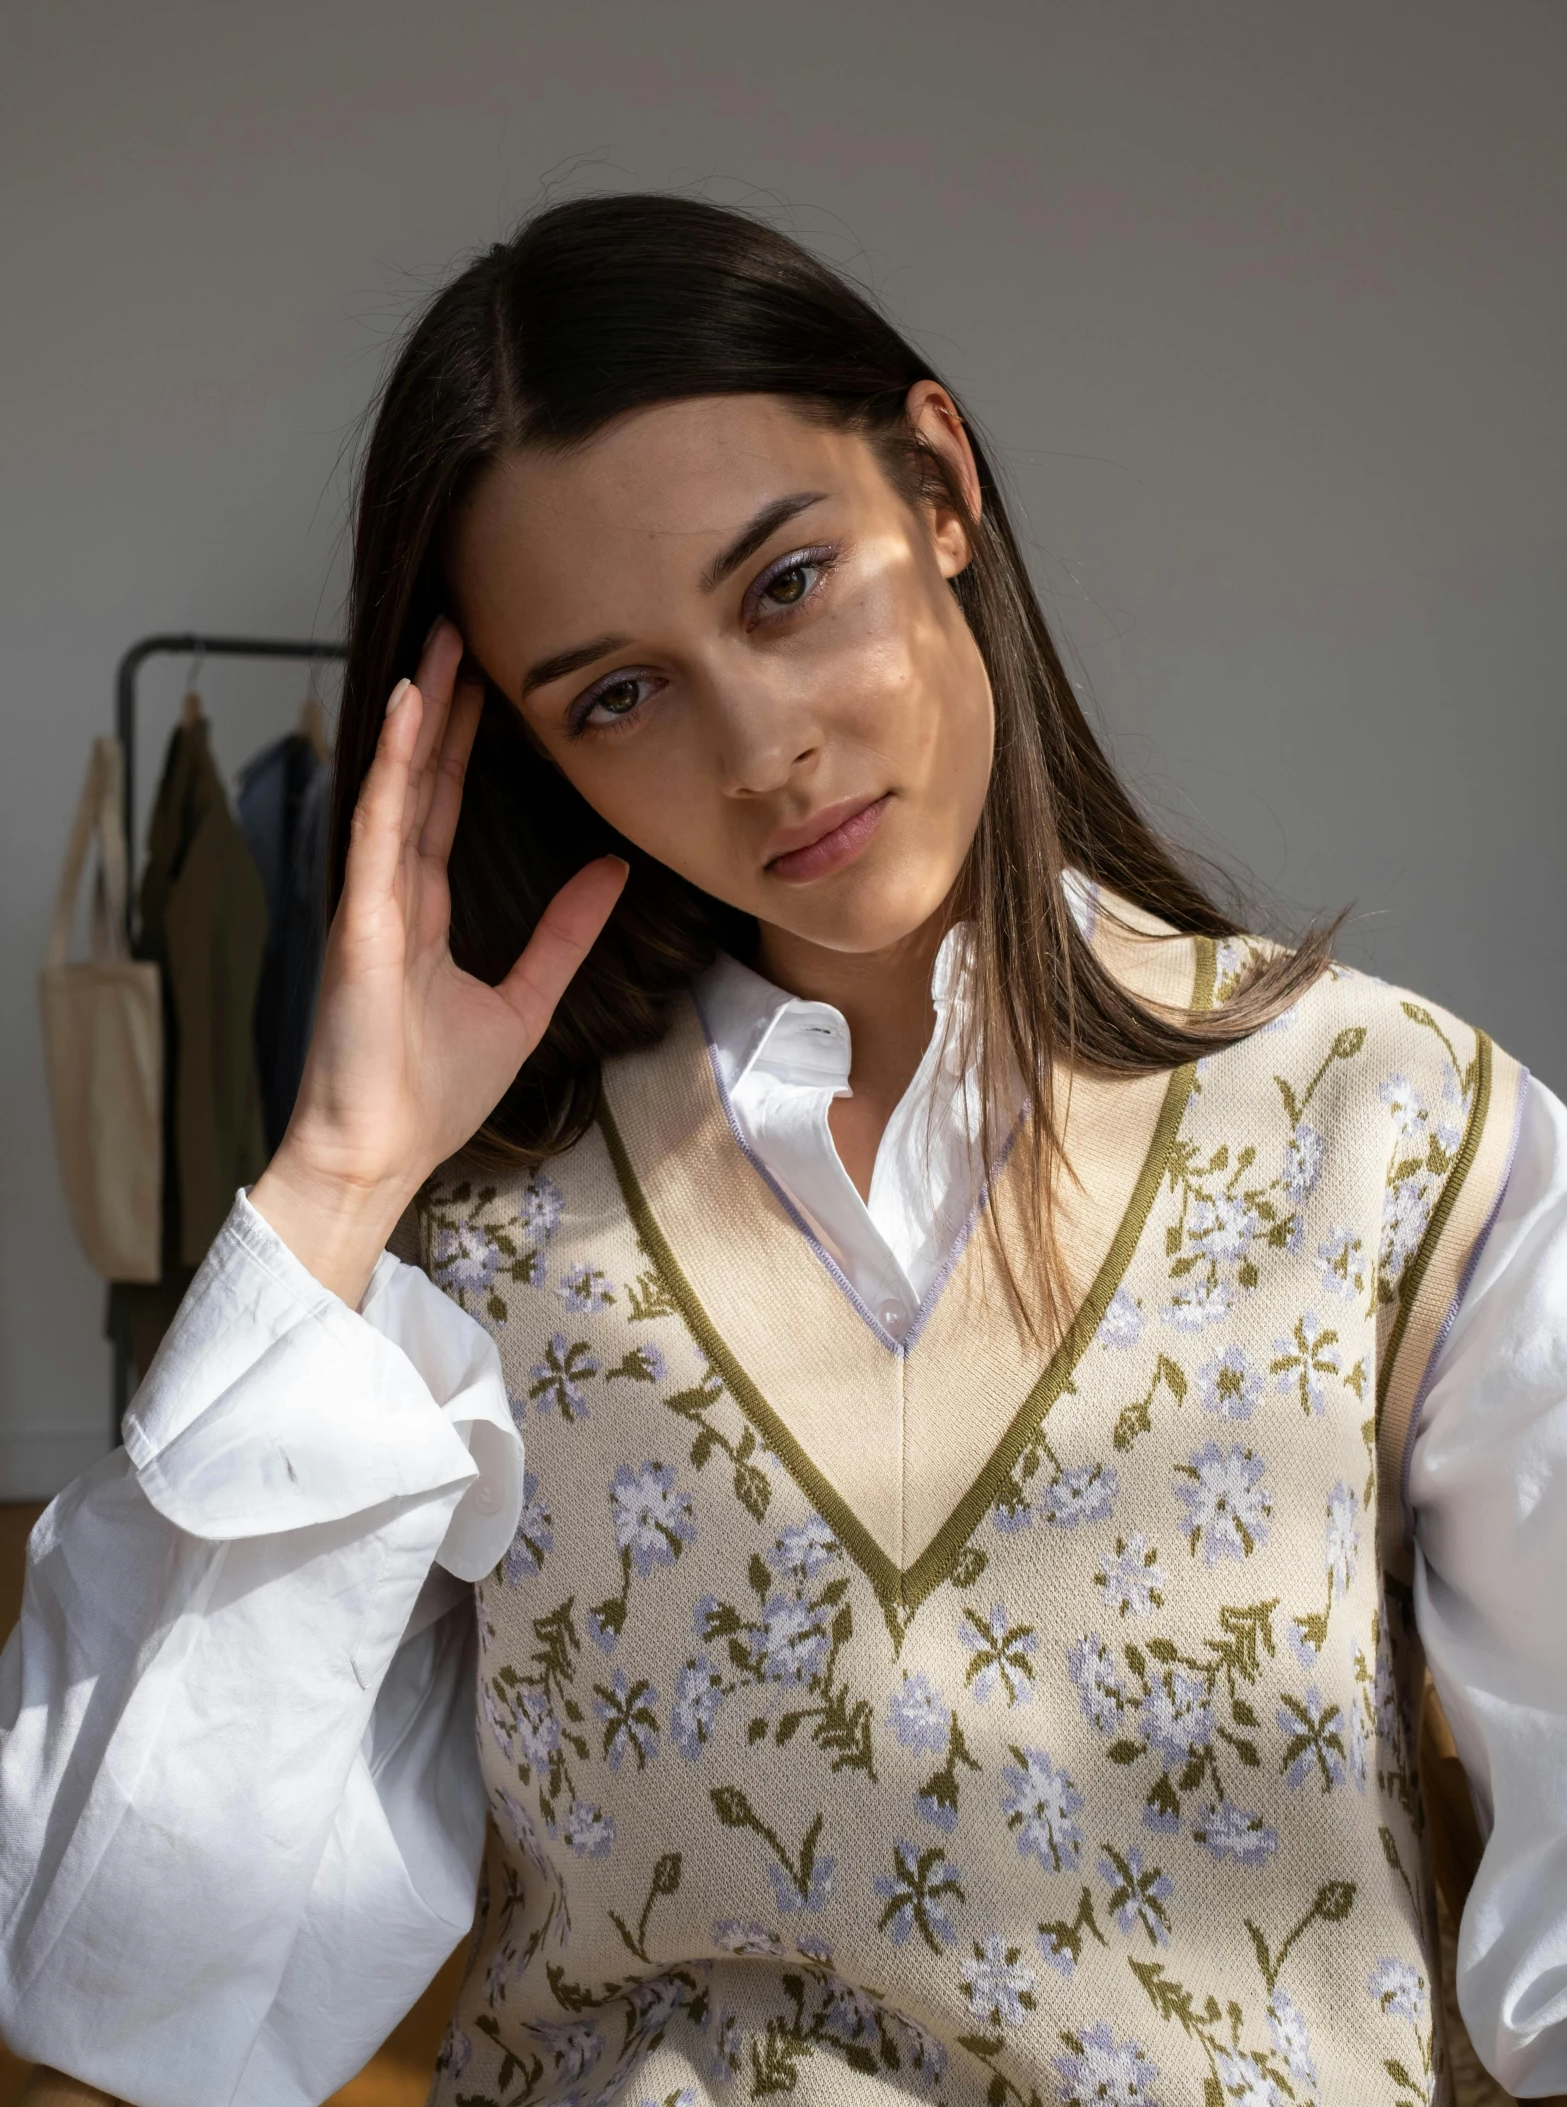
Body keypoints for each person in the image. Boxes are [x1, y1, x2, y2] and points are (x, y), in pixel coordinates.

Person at [2, 196, 1564, 2107]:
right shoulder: (461, 1253)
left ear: (936, 486)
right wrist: (334, 1185)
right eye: (618, 695)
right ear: (534, 755)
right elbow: (122, 1983)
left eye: (783, 584)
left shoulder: (1404, 1139)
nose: (759, 748)